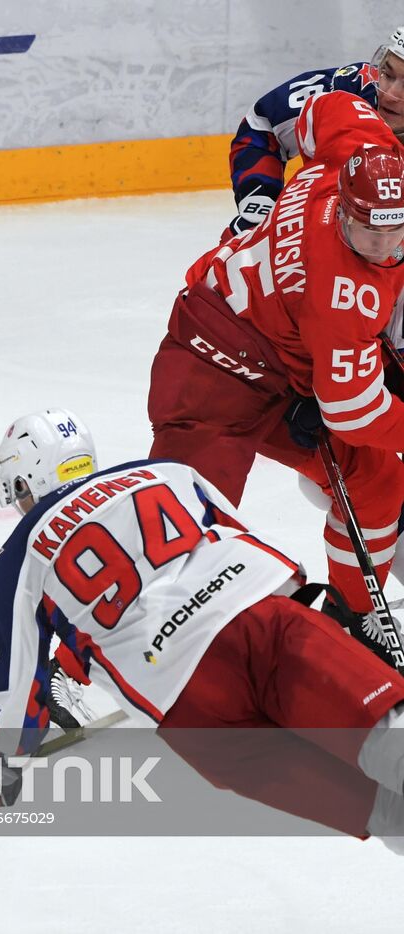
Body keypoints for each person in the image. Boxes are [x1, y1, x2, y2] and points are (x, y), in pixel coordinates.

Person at [0, 407, 404, 847]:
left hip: (191, 704)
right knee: (390, 738)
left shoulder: (15, 562)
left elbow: (13, 698)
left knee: (385, 813)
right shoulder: (164, 474)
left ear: (26, 481)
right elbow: (242, 536)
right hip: (264, 621)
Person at [146, 87, 404, 648]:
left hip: (284, 365)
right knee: (181, 533)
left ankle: (352, 619)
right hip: (211, 368)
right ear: (343, 208)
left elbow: (322, 106)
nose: (383, 248)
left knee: (377, 478)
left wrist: (260, 201)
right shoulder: (344, 293)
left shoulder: (357, 142)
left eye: (395, 231)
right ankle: (64, 665)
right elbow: (354, 412)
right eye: (368, 232)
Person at [225, 26, 404, 240]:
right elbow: (262, 125)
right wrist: (259, 202)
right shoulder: (348, 89)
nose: (391, 94)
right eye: (387, 73)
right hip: (318, 234)